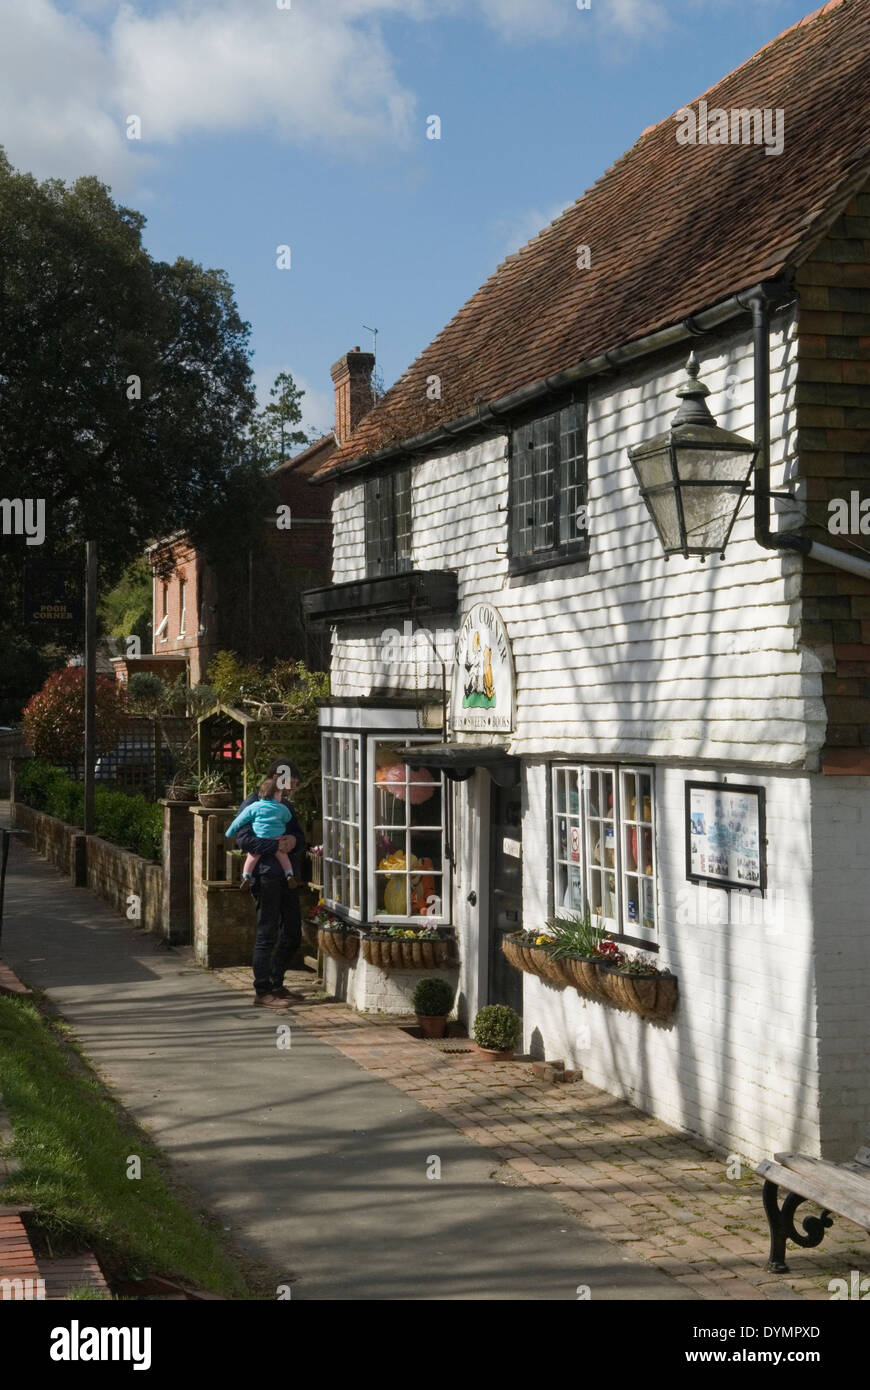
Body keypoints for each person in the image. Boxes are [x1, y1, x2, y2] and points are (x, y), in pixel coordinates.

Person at [232, 758, 306, 1010]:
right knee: (266, 934)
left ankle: (276, 983)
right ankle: (262, 991)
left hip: (287, 877)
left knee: (293, 933)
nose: (292, 789)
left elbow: (299, 835)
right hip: (265, 876)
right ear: (277, 777)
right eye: (290, 783)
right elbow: (243, 840)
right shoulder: (253, 803)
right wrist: (275, 846)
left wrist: (293, 842)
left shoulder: (285, 805)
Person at [224, 775, 298, 887]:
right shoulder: (282, 808)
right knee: (284, 857)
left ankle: (246, 876)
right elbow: (288, 818)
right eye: (280, 794)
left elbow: (238, 822)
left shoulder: (254, 806)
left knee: (251, 858)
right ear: (276, 794)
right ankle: (289, 875)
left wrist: (229, 833)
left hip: (260, 838)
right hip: (278, 839)